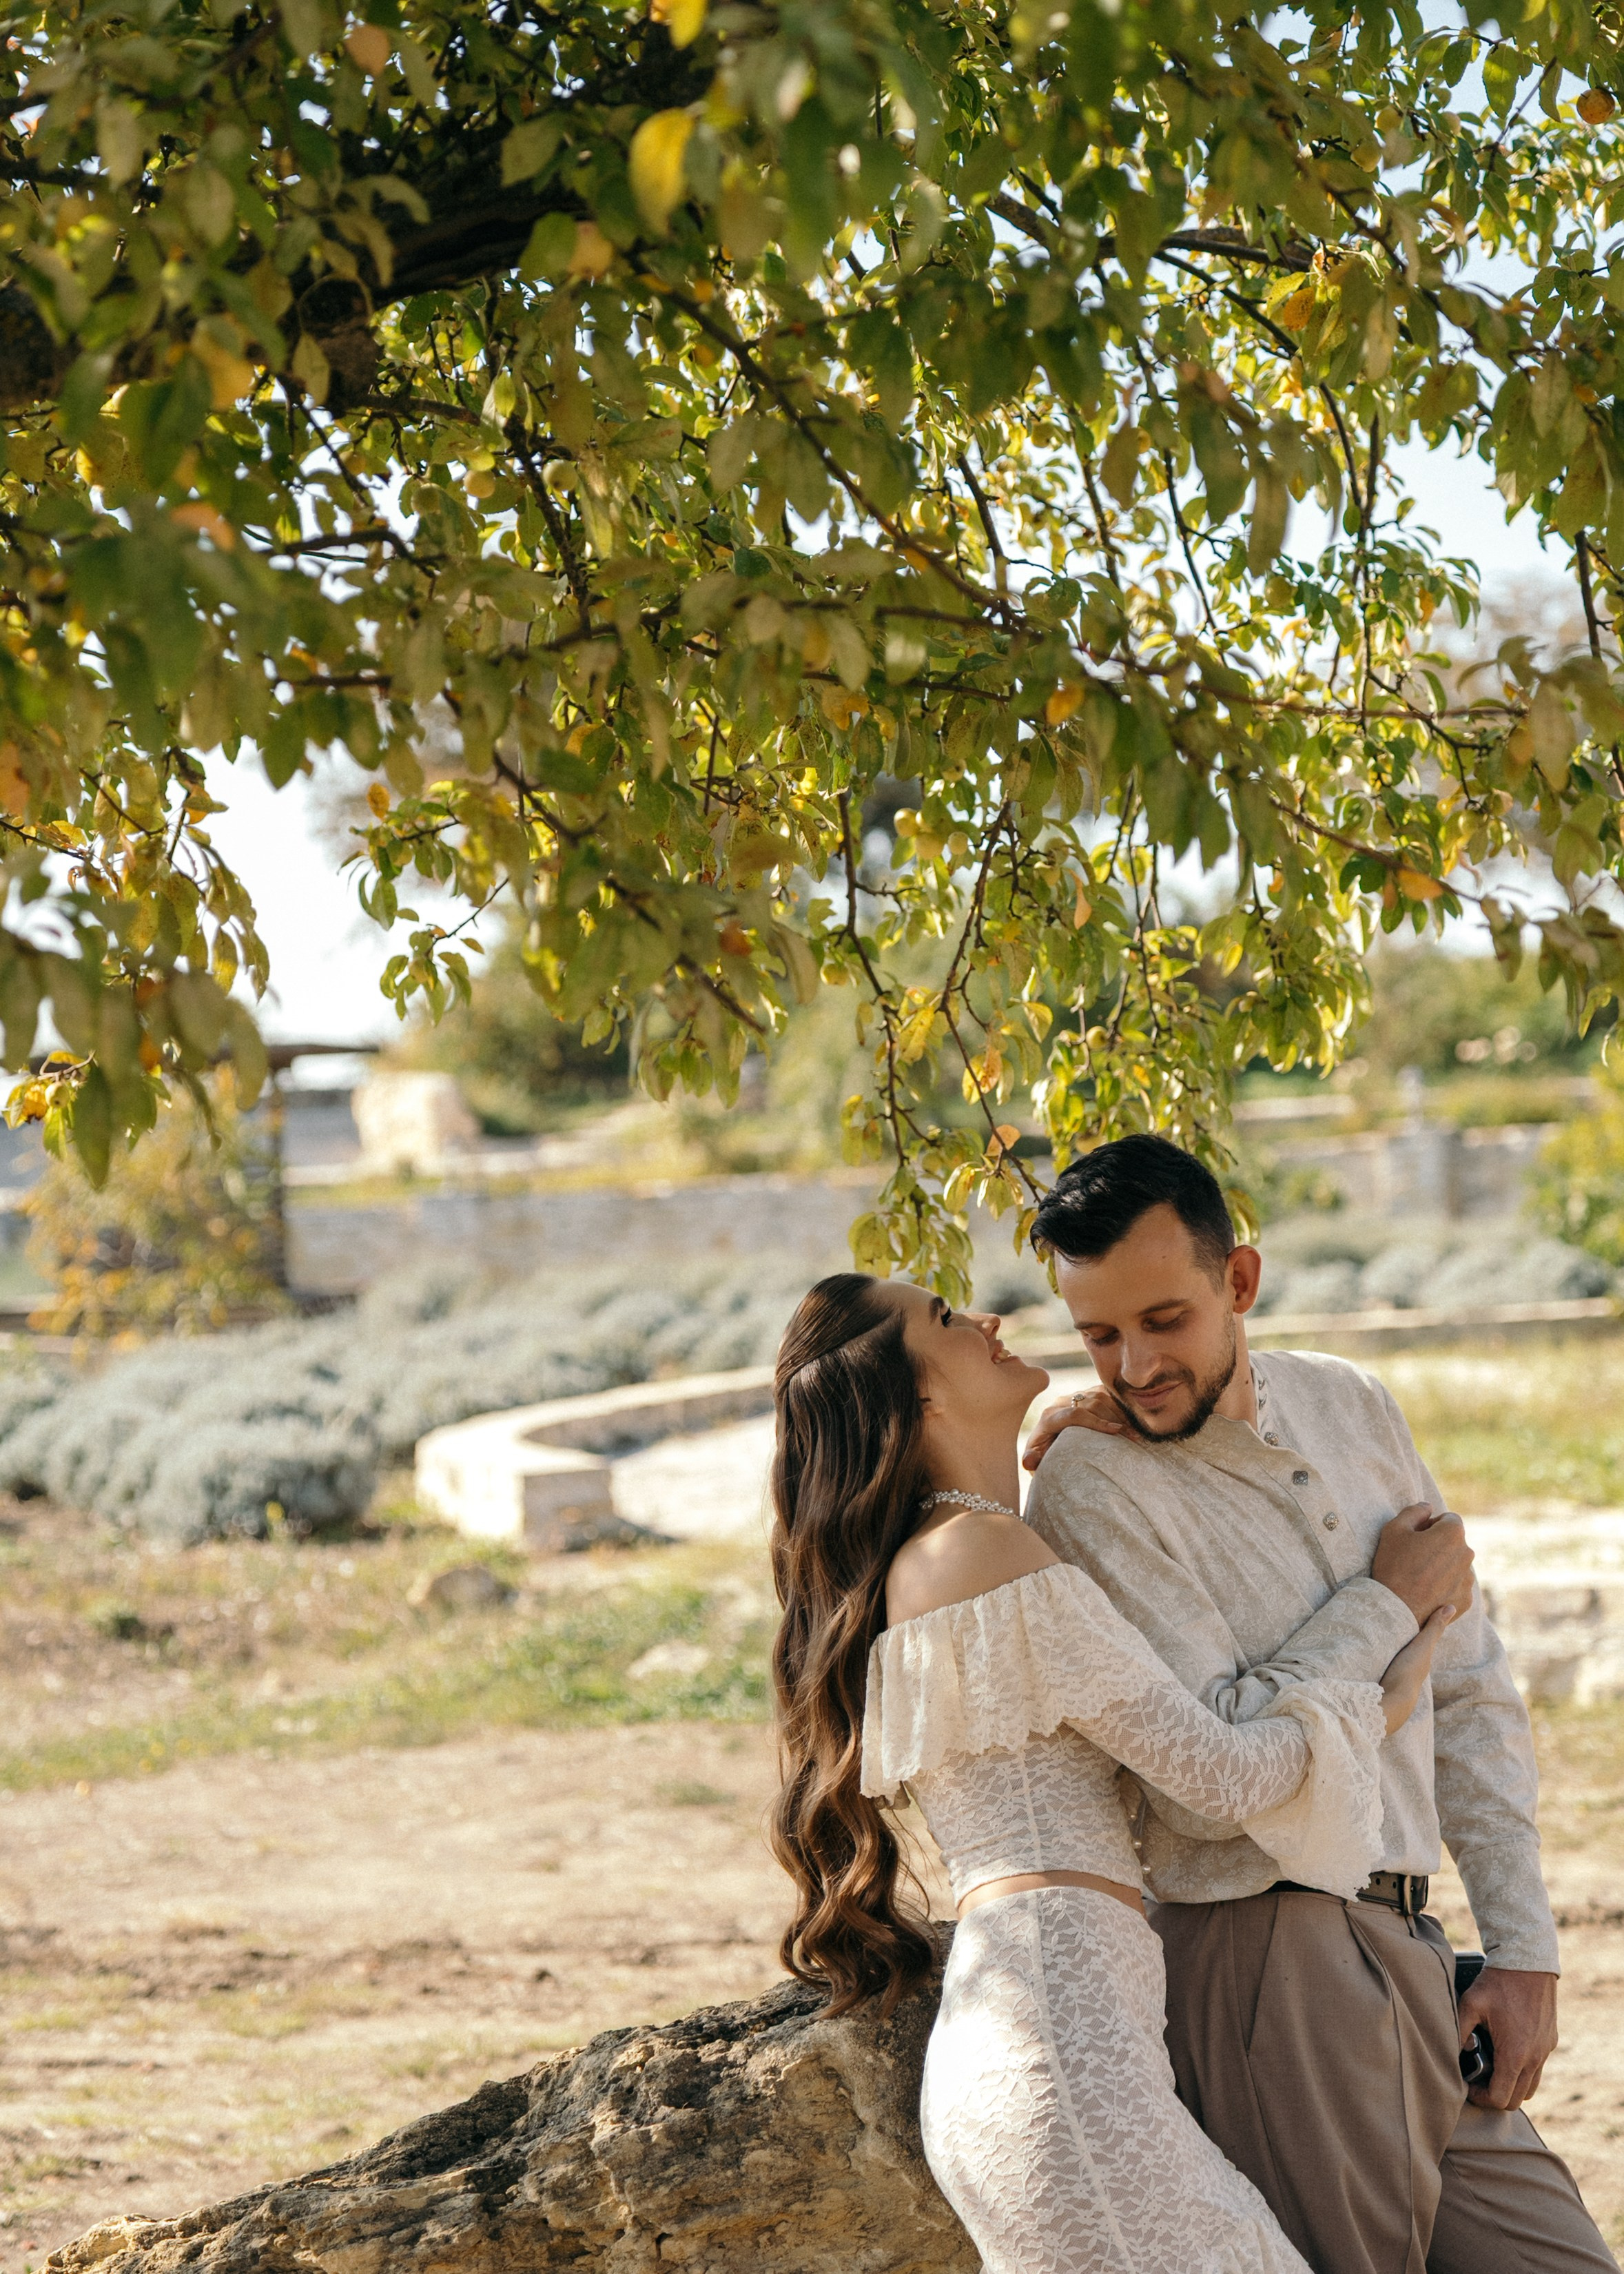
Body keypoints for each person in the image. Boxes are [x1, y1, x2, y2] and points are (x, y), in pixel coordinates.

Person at [768, 1270, 1465, 2274]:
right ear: (916, 1391)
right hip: (1064, 2064)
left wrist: (1074, 1440)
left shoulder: (968, 1551)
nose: (988, 1317)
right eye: (947, 1319)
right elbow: (1221, 1778)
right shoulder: (978, 1554)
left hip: (1067, 2049)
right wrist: (1382, 1661)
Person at [1020, 1133, 1618, 2274]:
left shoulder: (1349, 1401)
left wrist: (1522, 1948)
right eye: (1097, 1335)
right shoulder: (1090, 1483)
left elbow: (1469, 1687)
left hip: (1416, 1945)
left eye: (1163, 1321)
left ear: (1239, 1281)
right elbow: (1209, 1781)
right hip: (1266, 1959)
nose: (1132, 1367)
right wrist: (1384, 1604)